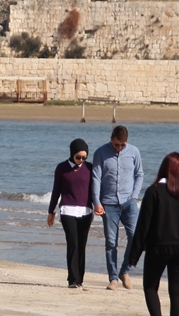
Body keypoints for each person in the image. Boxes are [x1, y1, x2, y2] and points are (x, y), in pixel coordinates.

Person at [126, 152, 179, 316]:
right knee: (177, 293)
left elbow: (143, 226)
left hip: (158, 247)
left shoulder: (154, 191)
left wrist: (133, 256)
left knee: (150, 286)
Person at [90, 124, 144, 290]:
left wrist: (134, 195)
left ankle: (125, 271)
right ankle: (113, 278)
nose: (120, 148)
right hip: (109, 203)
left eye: (123, 145)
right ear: (111, 139)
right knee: (111, 241)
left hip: (129, 202)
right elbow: (96, 178)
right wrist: (96, 202)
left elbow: (139, 174)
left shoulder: (134, 152)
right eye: (117, 144)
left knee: (135, 237)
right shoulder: (101, 152)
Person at [47, 138, 95, 288]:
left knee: (82, 245)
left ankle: (80, 279)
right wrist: (51, 211)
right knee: (73, 243)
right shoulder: (61, 168)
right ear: (72, 154)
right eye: (78, 157)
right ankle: (72, 279)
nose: (81, 160)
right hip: (67, 210)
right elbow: (56, 191)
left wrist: (100, 205)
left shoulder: (90, 168)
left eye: (84, 157)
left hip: (86, 211)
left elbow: (95, 190)